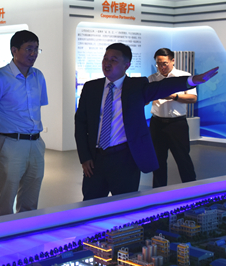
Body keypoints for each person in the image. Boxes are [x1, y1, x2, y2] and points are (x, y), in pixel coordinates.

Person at [74, 43, 218, 201]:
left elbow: (163, 86)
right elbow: (80, 124)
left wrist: (192, 80)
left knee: (125, 204)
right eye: (105, 58)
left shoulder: (136, 86)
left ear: (127, 65)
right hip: (95, 160)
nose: (107, 63)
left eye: (113, 60)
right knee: (91, 203)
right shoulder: (91, 88)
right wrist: (84, 157)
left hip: (125, 159)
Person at [0, 30, 48, 217]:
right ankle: (1, 234)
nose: (33, 54)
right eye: (29, 49)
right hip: (11, 144)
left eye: (36, 49)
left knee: (30, 202)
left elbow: (38, 107)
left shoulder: (38, 76)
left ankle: (26, 232)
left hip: (36, 143)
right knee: (5, 201)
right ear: (14, 50)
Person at [149, 48, 198, 188]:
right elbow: (145, 99)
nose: (162, 67)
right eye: (158, 64)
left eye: (164, 63)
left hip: (177, 124)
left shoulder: (184, 77)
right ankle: (158, 192)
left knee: (183, 158)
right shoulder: (152, 79)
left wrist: (173, 96)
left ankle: (191, 189)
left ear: (172, 61)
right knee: (157, 160)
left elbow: (193, 98)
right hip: (157, 123)